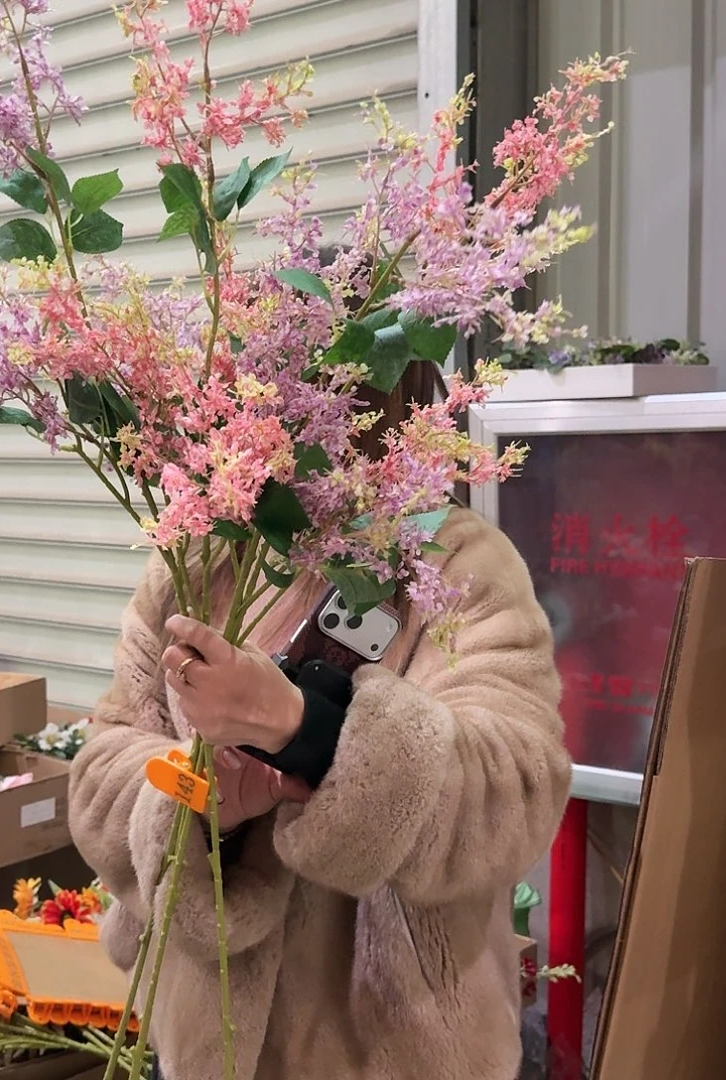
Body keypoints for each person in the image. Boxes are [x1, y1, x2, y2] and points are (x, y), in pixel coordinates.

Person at [68, 359, 570, 1080]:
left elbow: (518, 787)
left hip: (398, 1050)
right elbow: (102, 771)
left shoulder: (453, 562)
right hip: (200, 1046)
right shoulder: (205, 555)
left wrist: (310, 731)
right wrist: (197, 797)